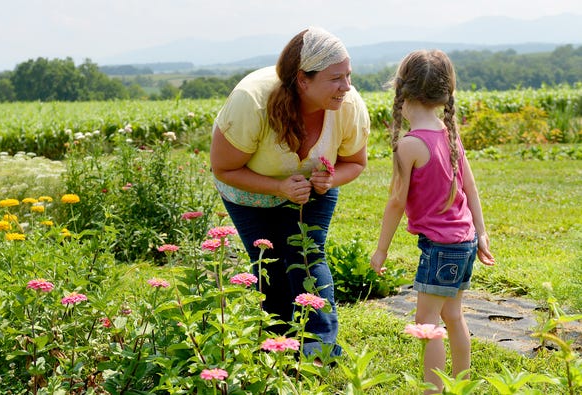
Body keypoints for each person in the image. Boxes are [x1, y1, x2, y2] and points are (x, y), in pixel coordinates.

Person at [210, 27, 370, 359]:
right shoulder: (251, 101)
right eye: (336, 78)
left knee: (307, 255)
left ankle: (319, 347)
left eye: (348, 75)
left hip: (312, 188)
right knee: (268, 261)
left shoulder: (348, 105)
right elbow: (224, 168)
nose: (347, 86)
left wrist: (330, 180)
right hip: (248, 191)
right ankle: (278, 344)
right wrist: (278, 187)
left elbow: (355, 162)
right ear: (303, 80)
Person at [369, 49, 496, 393]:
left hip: (441, 248)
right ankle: (461, 385)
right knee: (452, 317)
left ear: (401, 88)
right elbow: (471, 186)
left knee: (427, 323)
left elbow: (396, 202)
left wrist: (381, 249)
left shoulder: (409, 145)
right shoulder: (448, 132)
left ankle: (433, 390)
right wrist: (481, 233)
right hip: (464, 242)